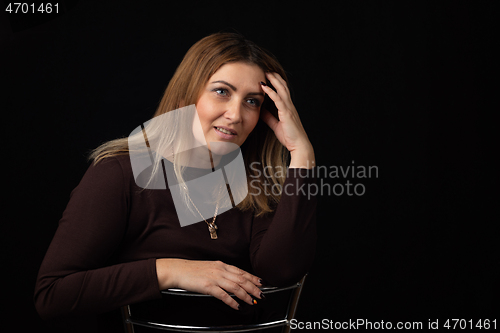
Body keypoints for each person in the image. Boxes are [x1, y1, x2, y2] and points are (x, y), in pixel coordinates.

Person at [34, 32, 318, 332]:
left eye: (252, 101)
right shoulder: (120, 174)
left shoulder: (253, 182)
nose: (235, 115)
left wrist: (302, 154)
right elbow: (52, 295)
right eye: (222, 91)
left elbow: (282, 271)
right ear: (186, 95)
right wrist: (171, 271)